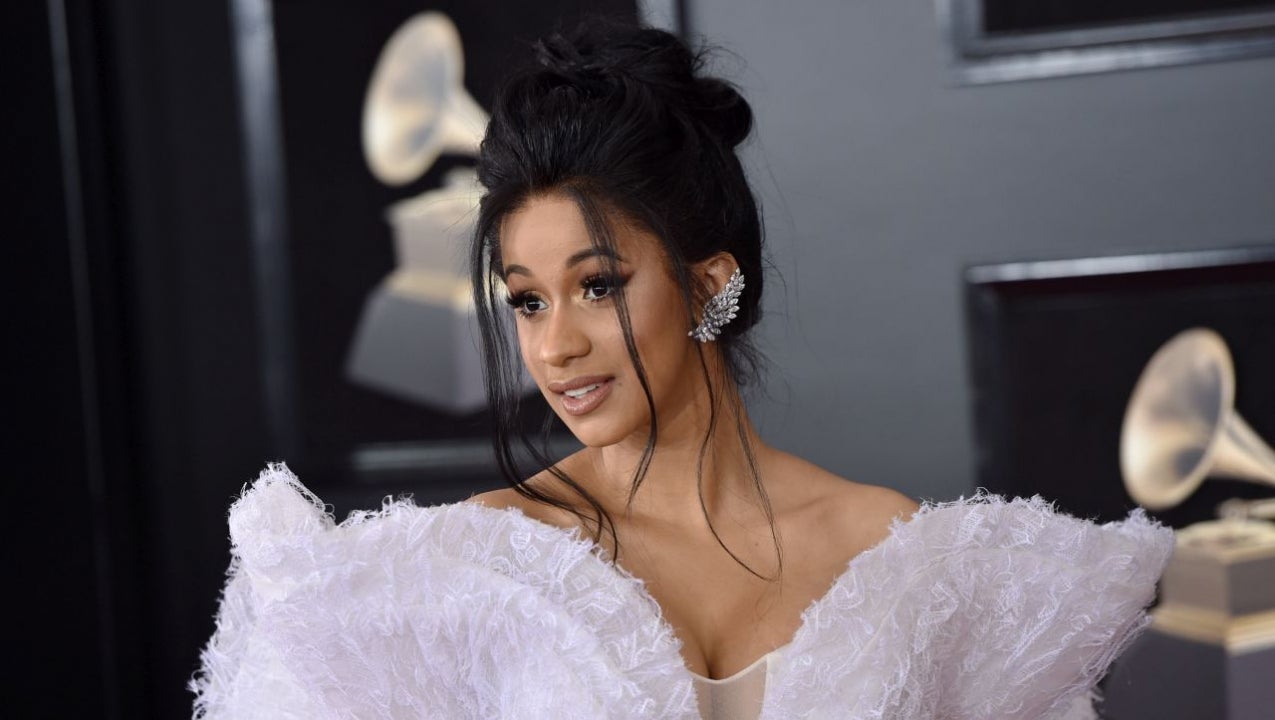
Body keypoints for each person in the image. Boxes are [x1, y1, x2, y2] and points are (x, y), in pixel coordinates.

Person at [190, 19, 1174, 720]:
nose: (554, 344)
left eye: (599, 286)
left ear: (708, 285)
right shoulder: (462, 571)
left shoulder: (906, 560)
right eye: (526, 299)